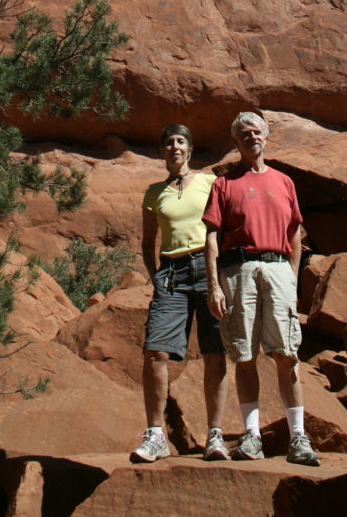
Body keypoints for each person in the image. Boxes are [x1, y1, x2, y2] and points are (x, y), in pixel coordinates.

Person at [203, 111, 319, 466]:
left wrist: (293, 278)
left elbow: (295, 235)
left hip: (278, 268)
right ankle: (252, 436)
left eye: (257, 132)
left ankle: (298, 437)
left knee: (287, 354)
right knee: (244, 355)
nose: (252, 137)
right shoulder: (224, 184)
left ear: (266, 137)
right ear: (236, 142)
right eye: (244, 133)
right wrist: (214, 286)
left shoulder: (283, 182)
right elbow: (211, 237)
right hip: (238, 270)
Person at [130, 123, 229, 463]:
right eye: (169, 142)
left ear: (189, 149)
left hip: (209, 266)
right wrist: (156, 276)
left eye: (180, 141)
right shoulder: (154, 193)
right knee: (155, 351)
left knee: (215, 351)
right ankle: (156, 434)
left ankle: (215, 435)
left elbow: (222, 226)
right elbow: (147, 243)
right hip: (171, 271)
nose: (175, 146)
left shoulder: (209, 182)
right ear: (162, 152)